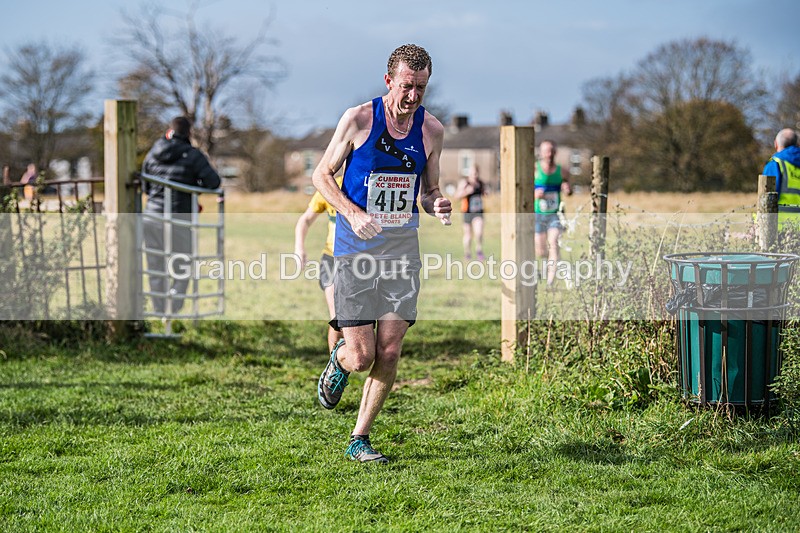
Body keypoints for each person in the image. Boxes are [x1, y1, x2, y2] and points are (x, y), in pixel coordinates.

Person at [311, 43, 451, 464]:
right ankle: (339, 360)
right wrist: (352, 214)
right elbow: (321, 176)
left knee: (389, 350)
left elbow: (429, 191)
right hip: (355, 251)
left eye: (421, 89)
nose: (413, 97)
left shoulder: (432, 131)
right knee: (362, 354)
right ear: (389, 80)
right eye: (407, 86)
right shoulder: (358, 120)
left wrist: (438, 202)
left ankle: (360, 438)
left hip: (402, 251)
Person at [141, 116, 221, 315]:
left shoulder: (152, 153)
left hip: (152, 217)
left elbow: (145, 186)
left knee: (155, 262)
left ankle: (160, 310)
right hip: (180, 216)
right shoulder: (194, 155)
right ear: (189, 133)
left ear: (170, 131)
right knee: (183, 262)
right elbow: (213, 182)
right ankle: (175, 304)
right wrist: (193, 187)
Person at [294, 176, 344, 352]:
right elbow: (305, 220)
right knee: (338, 317)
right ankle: (334, 368)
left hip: (362, 261)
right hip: (331, 258)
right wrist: (299, 248)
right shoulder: (329, 185)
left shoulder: (368, 183)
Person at [534, 140, 571, 287]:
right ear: (541, 153)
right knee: (541, 250)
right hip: (538, 214)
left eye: (551, 151)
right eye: (546, 151)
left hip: (555, 214)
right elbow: (523, 190)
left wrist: (567, 188)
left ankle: (550, 280)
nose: (549, 154)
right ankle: (545, 267)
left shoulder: (562, 171)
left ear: (555, 153)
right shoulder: (534, 169)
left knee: (554, 244)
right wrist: (535, 193)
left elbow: (568, 188)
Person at [763, 128, 800, 224]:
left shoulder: (775, 164)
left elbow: (767, 201)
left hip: (781, 227)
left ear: (776, 144)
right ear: (797, 144)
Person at [455, 164, 485, 261]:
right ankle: (467, 253)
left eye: (476, 173)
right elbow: (456, 196)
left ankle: (479, 250)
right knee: (468, 235)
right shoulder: (465, 183)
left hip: (478, 212)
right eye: (472, 173)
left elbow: (484, 193)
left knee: (479, 231)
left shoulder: (480, 183)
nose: (474, 175)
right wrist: (466, 192)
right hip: (467, 212)